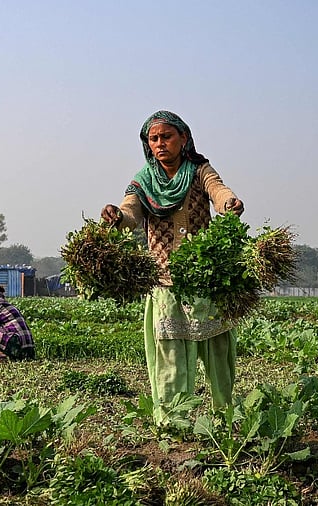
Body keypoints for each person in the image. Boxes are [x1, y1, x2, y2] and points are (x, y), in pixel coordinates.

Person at [101, 110, 244, 414]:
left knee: (218, 348)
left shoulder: (198, 170)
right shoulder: (143, 181)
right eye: (154, 139)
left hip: (206, 279)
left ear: (183, 138)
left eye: (166, 136)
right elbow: (131, 212)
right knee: (170, 354)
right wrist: (117, 216)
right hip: (165, 281)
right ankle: (173, 418)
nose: (160, 143)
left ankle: (225, 414)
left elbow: (217, 190)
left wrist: (228, 203)